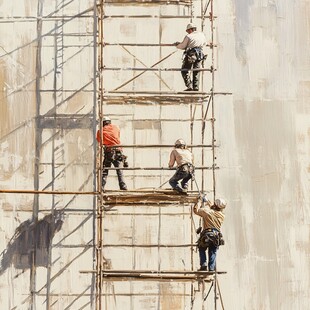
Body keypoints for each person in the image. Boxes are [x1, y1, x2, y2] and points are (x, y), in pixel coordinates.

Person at [193, 197, 227, 271]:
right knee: (212, 251)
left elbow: (196, 210)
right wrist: (208, 202)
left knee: (201, 248)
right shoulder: (222, 215)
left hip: (207, 234)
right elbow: (214, 209)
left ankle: (203, 264)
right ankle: (211, 268)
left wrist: (198, 202)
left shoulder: (207, 212)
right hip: (216, 236)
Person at [96, 117, 127, 191]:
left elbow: (100, 141)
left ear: (103, 123)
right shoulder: (116, 128)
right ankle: (123, 187)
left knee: (105, 171)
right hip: (118, 152)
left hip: (109, 152)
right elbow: (117, 137)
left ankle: (102, 187)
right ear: (109, 122)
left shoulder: (100, 131)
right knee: (119, 171)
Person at [174, 23, 207, 91]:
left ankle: (189, 86)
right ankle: (196, 87)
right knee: (196, 71)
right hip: (199, 55)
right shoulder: (202, 35)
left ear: (191, 29)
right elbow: (204, 43)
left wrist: (177, 45)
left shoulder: (189, 36)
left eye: (188, 30)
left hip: (191, 54)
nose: (187, 32)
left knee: (184, 70)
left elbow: (183, 46)